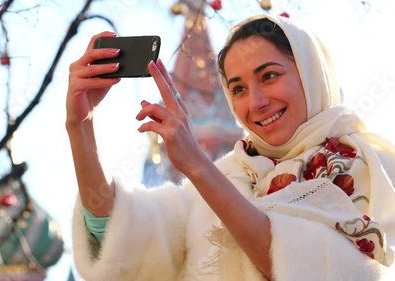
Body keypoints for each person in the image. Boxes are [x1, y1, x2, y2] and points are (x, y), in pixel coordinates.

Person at [65, 14, 395, 281]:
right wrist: (81, 127)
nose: (257, 102)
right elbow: (120, 240)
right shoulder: (226, 177)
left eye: (269, 76)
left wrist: (197, 165)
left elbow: (321, 269)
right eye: (238, 88)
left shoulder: (362, 164)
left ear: (310, 73)